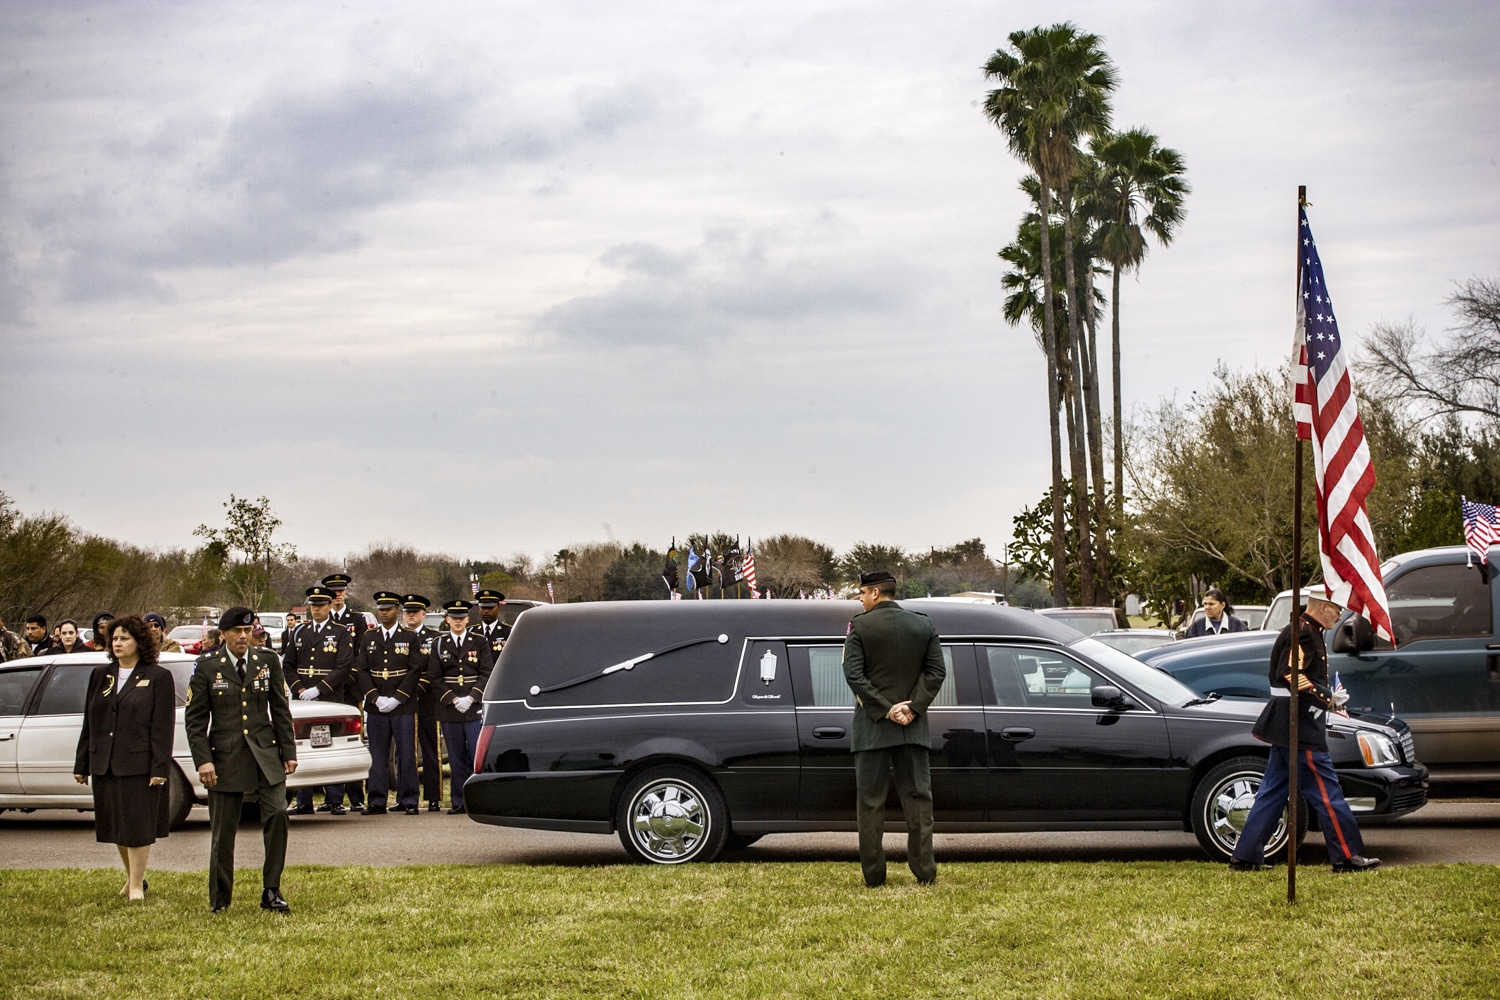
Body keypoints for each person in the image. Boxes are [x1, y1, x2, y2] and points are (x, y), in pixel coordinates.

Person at [1228, 592, 1381, 873]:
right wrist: (1327, 698)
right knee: (1327, 792)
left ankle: (1245, 857)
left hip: (1287, 724)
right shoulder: (1306, 634)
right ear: (1322, 607)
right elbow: (1291, 674)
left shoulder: (1307, 631)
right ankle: (1347, 856)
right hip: (1300, 726)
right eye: (1336, 610)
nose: (1339, 616)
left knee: (1272, 792)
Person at [183, 607, 298, 913]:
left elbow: (281, 709)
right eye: (237, 632)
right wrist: (203, 761)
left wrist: (289, 752)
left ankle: (271, 890)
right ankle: (220, 898)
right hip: (225, 757)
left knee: (277, 816)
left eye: (248, 631)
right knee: (223, 832)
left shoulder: (268, 661)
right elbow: (195, 721)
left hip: (265, 753)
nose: (243, 637)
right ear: (223, 634)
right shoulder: (207, 666)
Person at [841, 569, 947, 887]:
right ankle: (925, 871)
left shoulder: (859, 627)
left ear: (874, 592)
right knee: (918, 800)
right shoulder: (923, 623)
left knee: (871, 803)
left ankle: (874, 875)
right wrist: (912, 707)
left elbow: (853, 675)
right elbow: (936, 671)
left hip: (872, 727)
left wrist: (886, 710)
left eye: (862, 593)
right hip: (913, 728)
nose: (860, 600)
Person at [72, 615, 176, 900]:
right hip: (104, 762)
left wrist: (160, 768)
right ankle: (133, 878)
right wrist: (82, 763)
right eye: (114, 639)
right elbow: (89, 722)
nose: (118, 643)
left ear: (139, 642)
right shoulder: (100, 674)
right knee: (116, 824)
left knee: (137, 826)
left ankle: (135, 886)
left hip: (138, 764)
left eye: (124, 638)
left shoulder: (158, 677)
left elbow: (162, 727)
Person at [283, 586, 354, 815]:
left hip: (329, 698)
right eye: (313, 606)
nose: (316, 610)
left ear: (329, 606)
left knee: (331, 747)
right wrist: (300, 688)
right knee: (302, 748)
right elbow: (288, 665)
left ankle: (335, 800)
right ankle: (304, 800)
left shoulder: (341, 632)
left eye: (321, 606)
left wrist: (319, 689)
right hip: (303, 699)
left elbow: (343, 666)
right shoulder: (299, 632)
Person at [354, 592, 425, 815]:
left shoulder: (410, 636)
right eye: (381, 609)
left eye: (388, 609)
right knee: (377, 754)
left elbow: (415, 670)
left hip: (402, 704)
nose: (384, 613)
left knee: (406, 754)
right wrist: (374, 697)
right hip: (377, 705)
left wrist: (397, 698)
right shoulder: (369, 637)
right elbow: (362, 669)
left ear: (397, 611)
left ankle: (409, 799)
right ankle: (376, 800)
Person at [428, 599, 492, 814]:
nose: (457, 622)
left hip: (473, 708)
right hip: (450, 708)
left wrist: (472, 697)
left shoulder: (479, 641)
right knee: (455, 758)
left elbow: (486, 672)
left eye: (461, 618)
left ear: (467, 619)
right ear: (447, 620)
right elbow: (434, 677)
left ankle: (478, 801)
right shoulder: (439, 643)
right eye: (453, 618)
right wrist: (454, 699)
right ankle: (458, 800)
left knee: (475, 755)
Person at [321, 573, 367, 811]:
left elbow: (360, 654)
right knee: (329, 744)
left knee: (352, 743)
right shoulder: (319, 624)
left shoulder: (356, 619)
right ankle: (332, 797)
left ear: (346, 593)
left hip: (349, 689)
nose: (337, 595)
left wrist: (346, 678)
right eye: (333, 592)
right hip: (328, 690)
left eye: (340, 591)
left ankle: (356, 797)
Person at [402, 594, 445, 811]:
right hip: (402, 702)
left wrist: (415, 689)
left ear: (424, 614)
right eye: (407, 611)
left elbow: (434, 670)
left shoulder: (435, 638)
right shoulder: (397, 637)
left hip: (427, 701)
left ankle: (434, 797)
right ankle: (405, 798)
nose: (411, 615)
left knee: (430, 750)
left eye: (415, 612)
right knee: (405, 752)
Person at [473, 589, 510, 663]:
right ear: (479, 610)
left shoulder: (508, 632)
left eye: (490, 608)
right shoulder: (472, 632)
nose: (486, 611)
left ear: (499, 609)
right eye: (483, 608)